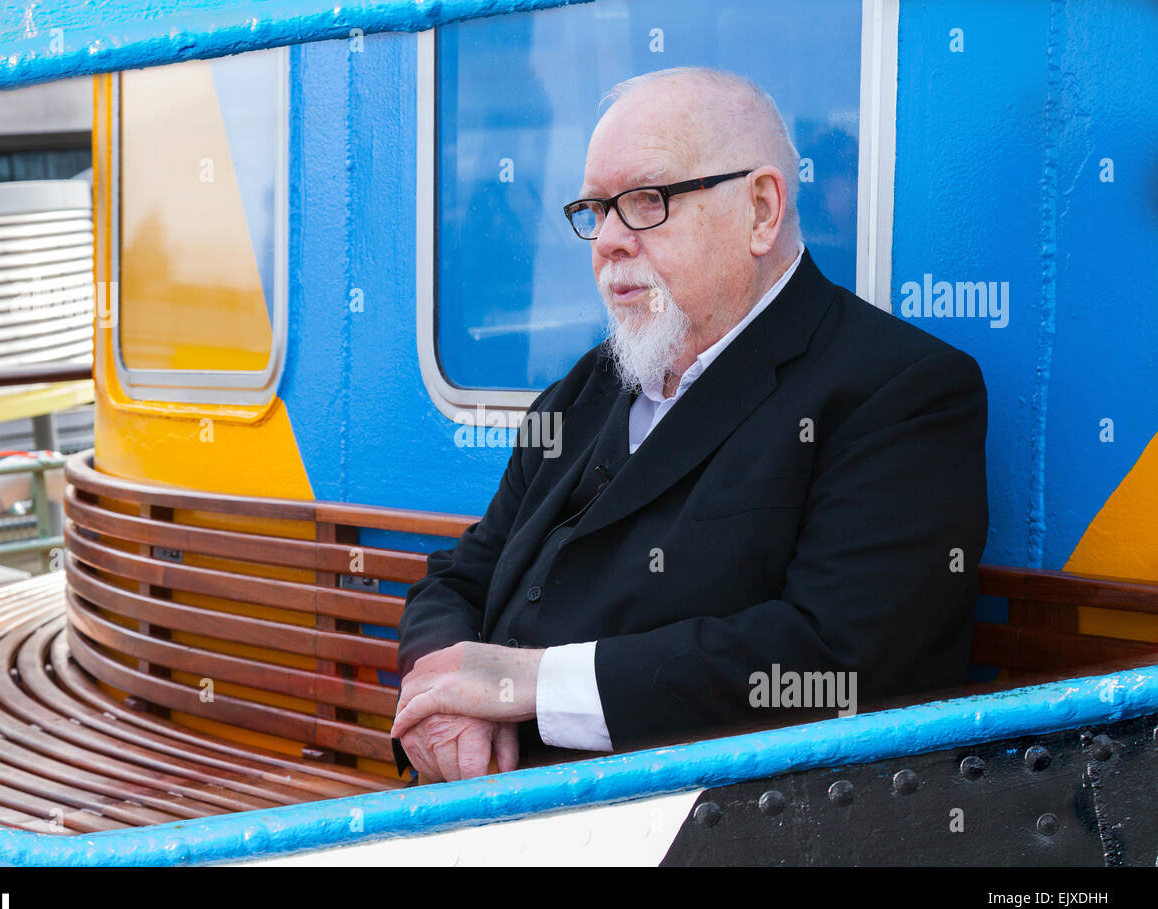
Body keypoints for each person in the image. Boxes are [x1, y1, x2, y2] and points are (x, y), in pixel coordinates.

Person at [390, 67, 988, 783]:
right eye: (594, 210)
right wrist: (449, 701)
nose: (607, 239)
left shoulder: (897, 390)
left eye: (645, 201)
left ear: (762, 209)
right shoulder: (584, 390)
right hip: (496, 798)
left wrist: (525, 685)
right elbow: (460, 575)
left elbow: (833, 658)